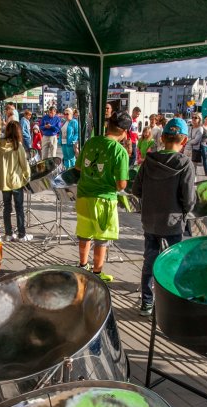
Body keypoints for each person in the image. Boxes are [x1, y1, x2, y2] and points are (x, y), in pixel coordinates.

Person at [133, 118, 195, 316]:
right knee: (173, 263)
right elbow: (189, 199)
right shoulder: (185, 164)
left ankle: (147, 303)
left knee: (149, 261)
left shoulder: (149, 160)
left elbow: (136, 189)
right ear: (184, 140)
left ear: (164, 137)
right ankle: (170, 306)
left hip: (150, 221)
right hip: (173, 222)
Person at [74, 110, 131, 282]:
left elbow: (78, 168)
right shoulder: (119, 151)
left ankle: (83, 268)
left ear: (109, 125)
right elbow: (122, 185)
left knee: (84, 235)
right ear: (124, 132)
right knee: (101, 239)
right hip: (104, 200)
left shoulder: (91, 142)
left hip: (83, 196)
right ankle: (97, 275)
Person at [0, 121, 32, 242]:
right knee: (19, 208)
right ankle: (21, 235)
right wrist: (27, 176)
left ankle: (8, 233)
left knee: (7, 208)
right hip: (16, 181)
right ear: (18, 132)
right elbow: (24, 164)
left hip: (4, 181)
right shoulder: (18, 146)